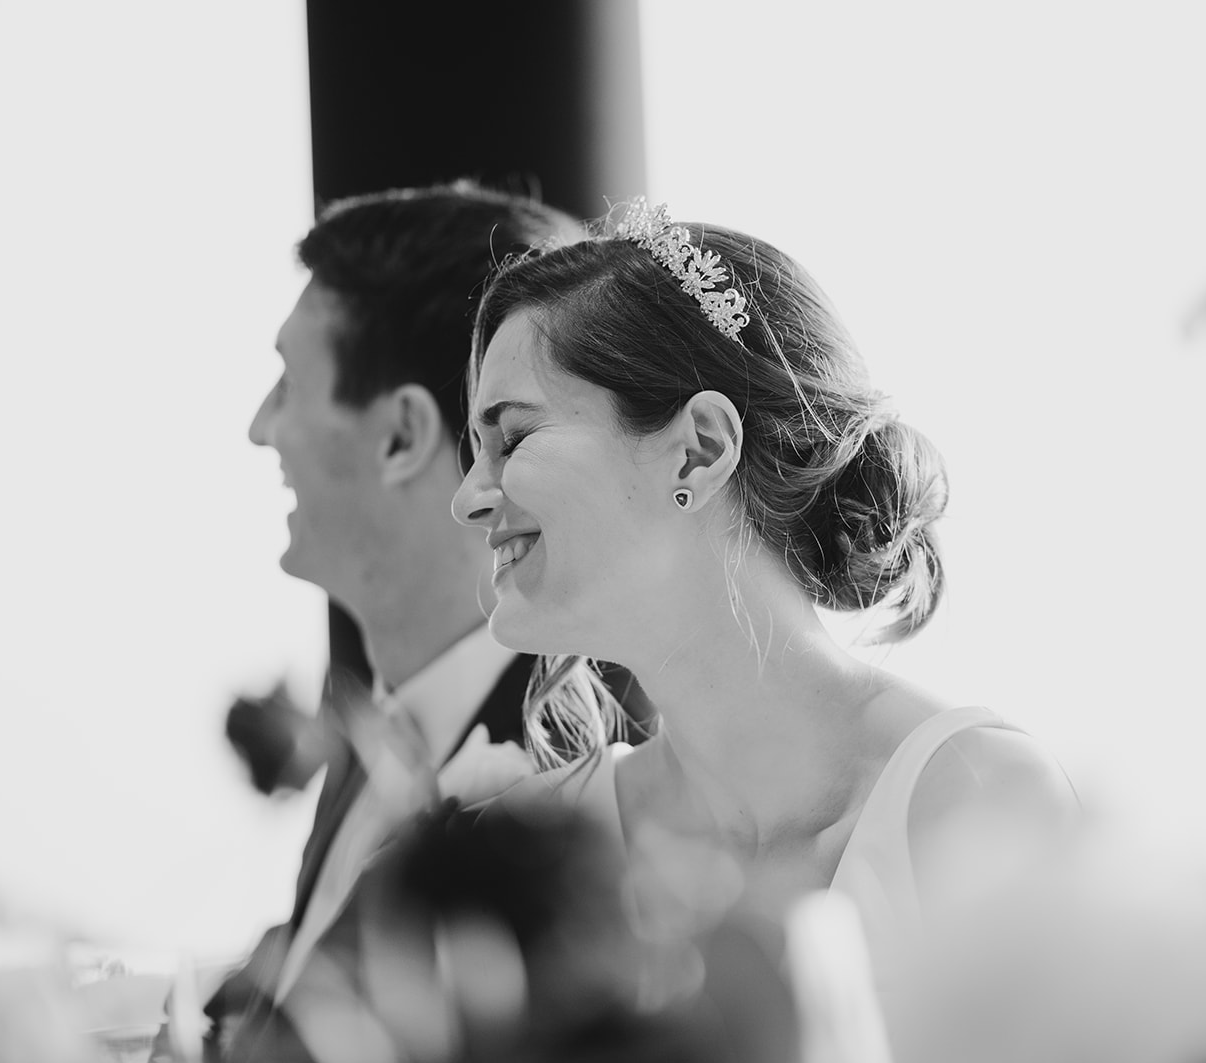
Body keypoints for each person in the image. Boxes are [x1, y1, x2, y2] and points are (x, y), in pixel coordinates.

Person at [450, 199, 1081, 981]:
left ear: (698, 450)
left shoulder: (972, 802)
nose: (469, 498)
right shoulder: (541, 844)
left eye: (512, 438)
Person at [154, 183, 649, 1063]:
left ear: (401, 436)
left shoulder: (575, 789)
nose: (260, 427)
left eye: (288, 382)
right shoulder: (367, 742)